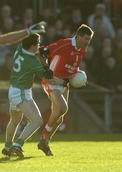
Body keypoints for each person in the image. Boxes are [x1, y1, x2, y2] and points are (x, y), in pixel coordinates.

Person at [37, 24, 94, 156]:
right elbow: (41, 52)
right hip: (52, 81)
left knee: (60, 118)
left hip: (64, 83)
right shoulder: (65, 44)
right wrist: (46, 69)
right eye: (86, 38)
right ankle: (44, 135)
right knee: (63, 108)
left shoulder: (82, 49)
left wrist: (78, 76)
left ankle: (44, 142)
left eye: (89, 40)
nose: (87, 42)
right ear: (78, 36)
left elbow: (72, 66)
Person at [2, 33, 53, 158]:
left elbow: (27, 46)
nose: (39, 46)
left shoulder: (19, 49)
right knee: (37, 121)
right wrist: (46, 64)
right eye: (38, 43)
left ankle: (7, 147)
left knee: (14, 121)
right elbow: (46, 76)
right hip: (21, 92)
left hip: (13, 89)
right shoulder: (33, 62)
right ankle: (17, 145)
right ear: (32, 46)